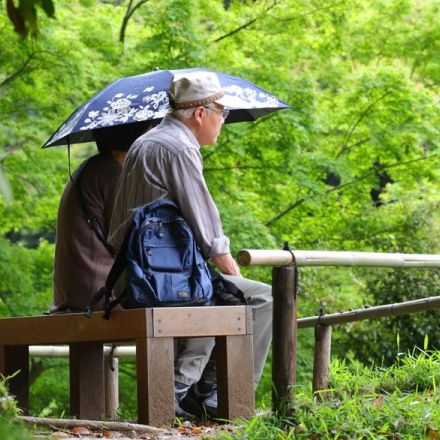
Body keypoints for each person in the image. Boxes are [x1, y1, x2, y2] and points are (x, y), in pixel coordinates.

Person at [108, 71, 273, 418]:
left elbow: (116, 232)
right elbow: (208, 231)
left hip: (133, 276)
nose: (222, 121)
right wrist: (231, 271)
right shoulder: (180, 147)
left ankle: (197, 390)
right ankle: (211, 394)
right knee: (258, 297)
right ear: (201, 113)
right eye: (222, 113)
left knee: (217, 294)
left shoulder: (145, 142)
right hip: (164, 282)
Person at [50, 123, 152, 313]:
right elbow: (131, 238)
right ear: (133, 137)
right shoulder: (112, 173)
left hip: (72, 291)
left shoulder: (91, 167)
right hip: (98, 293)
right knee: (184, 310)